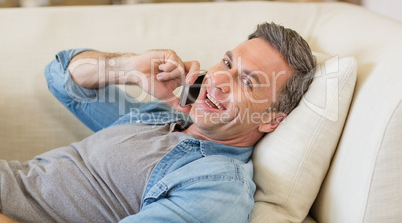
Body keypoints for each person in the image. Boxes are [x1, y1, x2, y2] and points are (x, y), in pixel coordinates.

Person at [0, 22, 316, 223]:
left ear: (271, 120)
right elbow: (60, 77)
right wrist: (129, 69)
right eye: (227, 63)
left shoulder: (219, 186)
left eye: (247, 82)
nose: (218, 80)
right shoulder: (163, 117)